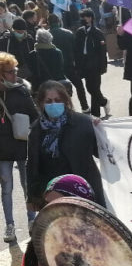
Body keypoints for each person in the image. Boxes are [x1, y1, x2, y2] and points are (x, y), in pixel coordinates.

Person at [26, 80, 105, 212]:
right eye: (49, 101)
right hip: (53, 196)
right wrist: (31, 197)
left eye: (57, 100)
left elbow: (102, 153)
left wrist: (101, 132)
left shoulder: (83, 123)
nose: (53, 104)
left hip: (83, 193)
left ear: (66, 101)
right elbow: (33, 165)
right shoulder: (36, 130)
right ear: (41, 103)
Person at [0, 53, 38, 242]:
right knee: (6, 186)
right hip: (2, 149)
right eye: (10, 72)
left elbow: (35, 115)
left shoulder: (22, 90)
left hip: (23, 145)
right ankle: (9, 225)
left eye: (15, 70)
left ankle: (32, 220)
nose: (15, 74)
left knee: (27, 185)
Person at [74, 9, 110, 118]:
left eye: (87, 17)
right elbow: (76, 49)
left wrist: (103, 67)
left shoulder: (97, 32)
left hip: (95, 64)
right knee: (90, 88)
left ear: (91, 18)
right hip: (83, 64)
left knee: (94, 88)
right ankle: (104, 102)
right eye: (83, 17)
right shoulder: (80, 32)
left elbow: (102, 52)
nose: (84, 19)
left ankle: (95, 115)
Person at [48, 14, 88, 113]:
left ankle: (66, 111)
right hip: (70, 65)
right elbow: (76, 50)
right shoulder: (68, 33)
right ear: (59, 21)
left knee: (60, 91)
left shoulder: (47, 35)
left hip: (55, 69)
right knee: (79, 86)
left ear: (48, 23)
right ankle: (85, 107)